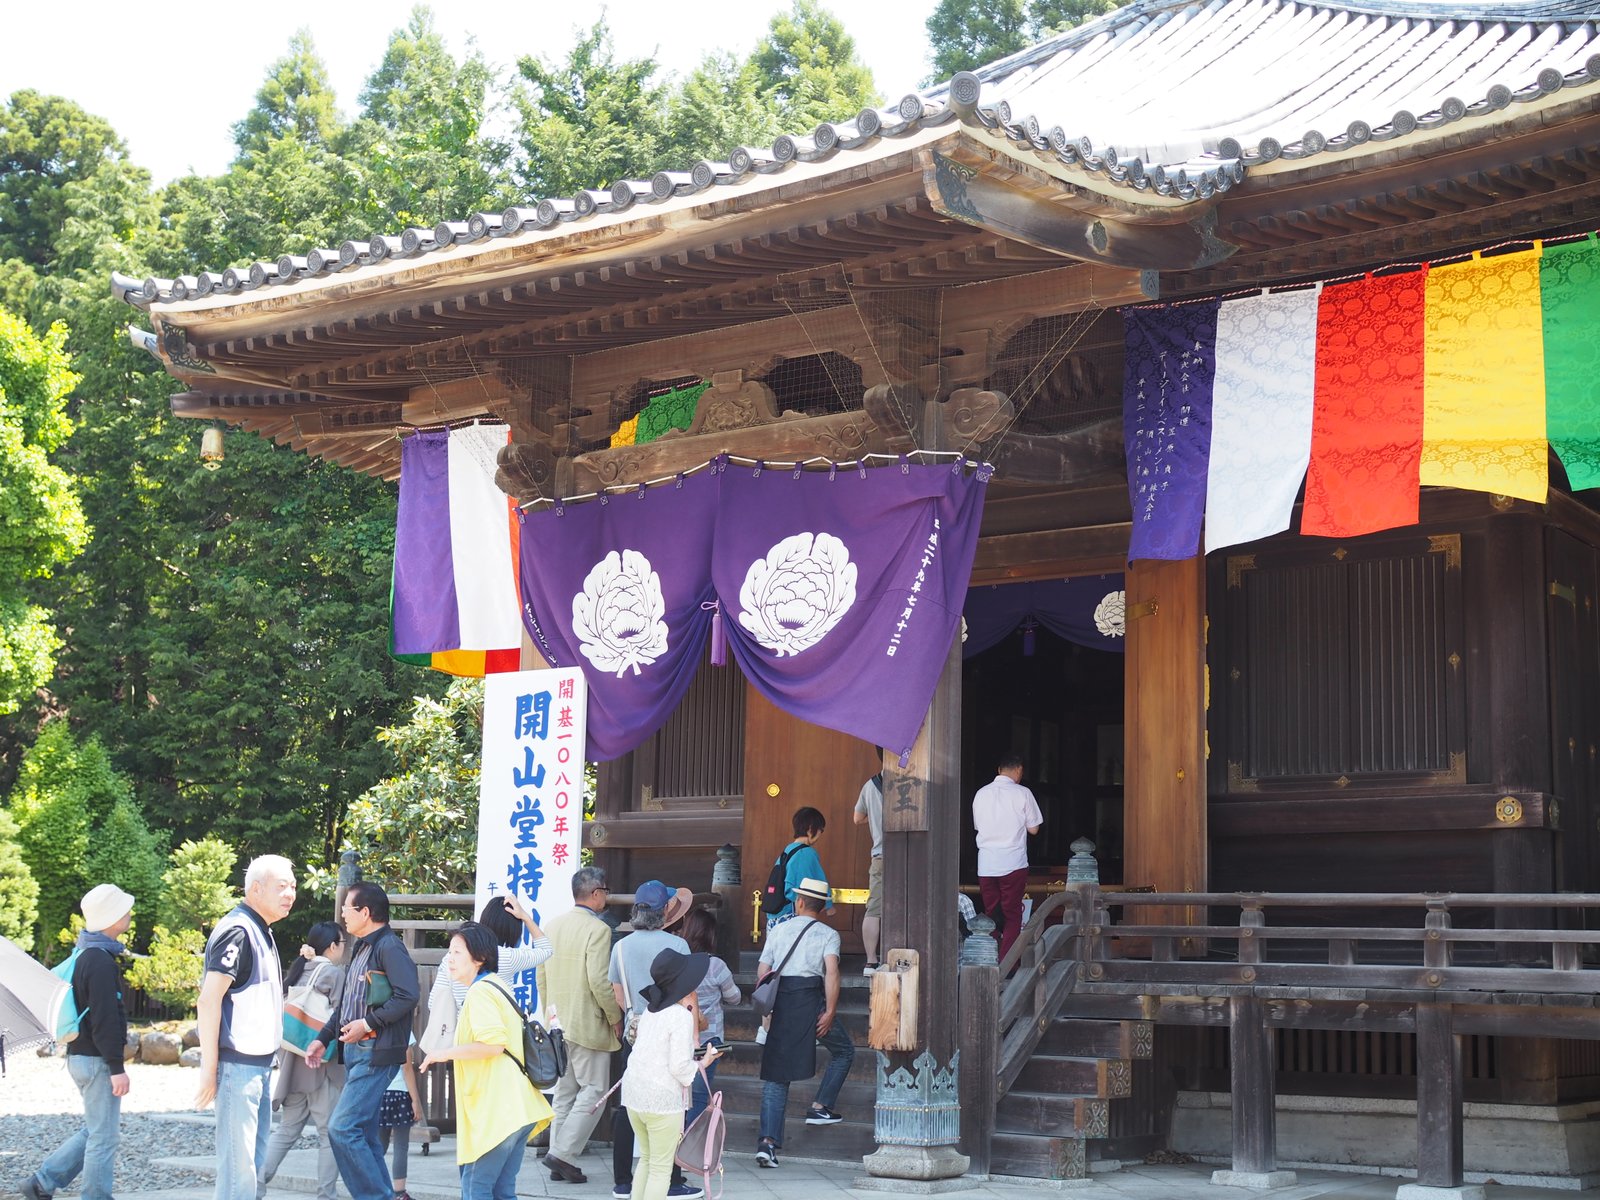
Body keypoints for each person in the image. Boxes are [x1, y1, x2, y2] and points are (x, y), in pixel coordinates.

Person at [419, 921, 551, 1200]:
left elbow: (493, 1045)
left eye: (456, 953)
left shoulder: (479, 993)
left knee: (475, 1188)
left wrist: (442, 1053)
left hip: (499, 1111)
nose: (449, 960)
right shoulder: (494, 985)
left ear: (479, 958)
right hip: (516, 1107)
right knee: (502, 1191)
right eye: (449, 952)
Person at [19, 884, 136, 1200]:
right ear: (112, 918)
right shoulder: (99, 961)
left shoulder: (84, 953)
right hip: (98, 1061)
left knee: (95, 1130)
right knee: (103, 1137)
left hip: (79, 1057)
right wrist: (117, 1067)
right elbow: (105, 1019)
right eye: (124, 909)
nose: (129, 913)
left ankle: (42, 1183)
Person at [306, 881, 420, 1200]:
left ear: (365, 912)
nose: (342, 914)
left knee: (342, 1129)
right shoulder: (363, 947)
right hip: (356, 1051)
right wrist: (323, 1038)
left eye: (347, 908)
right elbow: (347, 1006)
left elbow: (408, 995)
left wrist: (368, 1023)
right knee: (366, 1136)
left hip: (375, 1051)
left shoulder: (389, 947)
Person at [197, 855, 297, 1200]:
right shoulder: (238, 931)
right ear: (256, 889)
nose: (290, 894)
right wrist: (209, 1070)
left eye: (293, 886)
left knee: (251, 1171)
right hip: (237, 1066)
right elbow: (209, 1000)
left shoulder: (259, 930)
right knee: (239, 1174)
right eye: (281, 886)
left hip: (258, 1066)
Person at [608, 880, 699, 1200]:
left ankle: (622, 1180)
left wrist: (637, 1017)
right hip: (671, 1029)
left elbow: (618, 994)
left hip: (636, 1029)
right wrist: (695, 1031)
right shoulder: (677, 946)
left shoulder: (620, 947)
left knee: (629, 1102)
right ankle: (672, 1180)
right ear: (664, 913)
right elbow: (689, 995)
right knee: (672, 1104)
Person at [755, 878, 854, 1167]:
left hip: (781, 1004)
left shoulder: (778, 930)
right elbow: (832, 973)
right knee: (845, 1051)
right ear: (821, 906)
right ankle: (821, 1106)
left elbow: (764, 970)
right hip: (811, 1004)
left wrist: (766, 1011)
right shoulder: (829, 934)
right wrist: (831, 1010)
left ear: (799, 902)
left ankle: (767, 1143)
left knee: (776, 1075)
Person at [537, 866, 622, 1184]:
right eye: (606, 892)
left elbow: (541, 977)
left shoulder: (553, 925)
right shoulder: (597, 930)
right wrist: (615, 1017)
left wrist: (549, 1015)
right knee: (595, 1091)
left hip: (558, 1021)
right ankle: (562, 1154)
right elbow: (600, 982)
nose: (607, 897)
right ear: (597, 893)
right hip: (588, 1022)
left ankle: (560, 1158)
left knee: (566, 1093)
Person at [622, 950, 725, 1200]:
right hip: (661, 1100)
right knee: (660, 1168)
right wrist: (706, 1060)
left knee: (647, 1160)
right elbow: (680, 1068)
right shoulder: (680, 1017)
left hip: (634, 1094)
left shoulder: (651, 1010)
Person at [258, 923, 346, 1200]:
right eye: (342, 942)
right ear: (333, 946)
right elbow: (340, 1017)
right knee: (327, 1135)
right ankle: (325, 1195)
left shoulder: (299, 969)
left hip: (292, 1066)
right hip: (320, 1066)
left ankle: (255, 1186)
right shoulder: (333, 973)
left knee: (286, 1130)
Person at [972, 751, 1044, 964]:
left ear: (999, 770)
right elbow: (1034, 829)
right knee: (1012, 915)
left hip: (986, 862)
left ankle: (989, 959)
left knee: (991, 913)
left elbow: (978, 826)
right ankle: (1007, 964)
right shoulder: (1022, 793)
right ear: (1019, 770)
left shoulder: (981, 794)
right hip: (1013, 862)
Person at [678, 909, 739, 1131]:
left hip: (681, 1035)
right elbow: (734, 997)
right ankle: (689, 1142)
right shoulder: (716, 965)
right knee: (700, 1093)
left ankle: (676, 1137)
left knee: (679, 1091)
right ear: (710, 935)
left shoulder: (679, 961)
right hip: (710, 1039)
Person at [767, 807, 833, 926]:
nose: (820, 835)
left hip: (774, 918)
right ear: (810, 828)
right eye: (820, 830)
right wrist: (828, 905)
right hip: (790, 917)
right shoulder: (806, 853)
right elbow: (805, 885)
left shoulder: (788, 850)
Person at [377, 1039, 424, 1200]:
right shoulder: (405, 1030)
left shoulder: (377, 1026)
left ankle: (374, 1188)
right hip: (399, 1093)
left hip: (379, 1092)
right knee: (401, 1145)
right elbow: (406, 1067)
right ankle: (399, 1193)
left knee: (378, 1145)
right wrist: (415, 1100)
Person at [853, 764, 885, 973]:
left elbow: (857, 819)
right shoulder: (913, 782)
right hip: (911, 855)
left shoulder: (870, 786)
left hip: (881, 855)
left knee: (874, 908)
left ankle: (871, 961)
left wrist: (874, 819)